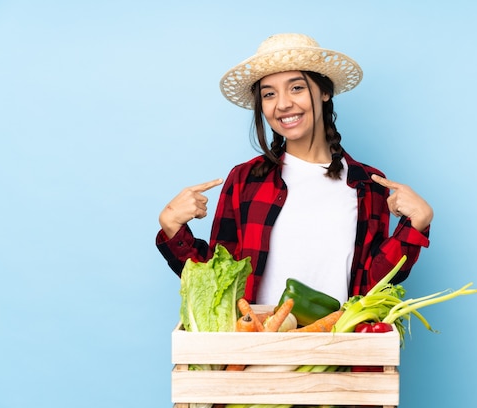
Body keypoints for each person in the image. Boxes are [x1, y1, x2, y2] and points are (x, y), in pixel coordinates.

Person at [156, 33, 433, 305]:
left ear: (324, 91)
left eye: (296, 87)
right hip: (256, 343)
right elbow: (220, 283)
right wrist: (173, 230)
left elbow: (372, 285)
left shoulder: (368, 184)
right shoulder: (245, 180)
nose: (283, 103)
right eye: (269, 94)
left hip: (338, 345)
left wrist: (415, 224)